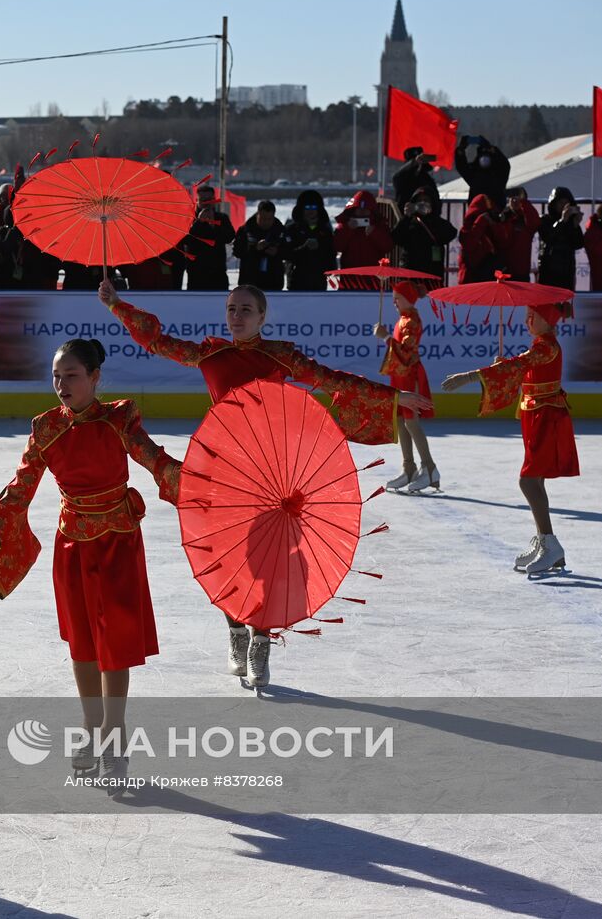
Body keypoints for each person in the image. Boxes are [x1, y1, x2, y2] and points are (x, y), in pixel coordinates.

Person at [98, 280, 430, 688]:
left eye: (245, 310)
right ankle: (237, 629)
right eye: (231, 309)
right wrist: (117, 305)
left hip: (270, 470)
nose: (236, 316)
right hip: (222, 470)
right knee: (224, 557)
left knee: (269, 558)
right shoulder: (210, 352)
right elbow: (158, 341)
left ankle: (261, 640)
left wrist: (392, 397)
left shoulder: (280, 356)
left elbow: (332, 380)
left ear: (262, 317)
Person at [0, 338, 180, 786]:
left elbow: (156, 462)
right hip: (73, 544)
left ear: (95, 378)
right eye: (56, 377)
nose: (62, 385)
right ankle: (91, 725)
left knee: (115, 639)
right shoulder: (45, 428)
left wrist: (204, 482)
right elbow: (17, 492)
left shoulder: (119, 419)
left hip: (118, 540)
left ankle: (114, 737)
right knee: (82, 639)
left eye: (72, 376)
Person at [442, 301, 577, 575]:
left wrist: (470, 376)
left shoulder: (547, 346)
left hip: (546, 417)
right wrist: (504, 366)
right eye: (526, 316)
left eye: (532, 317)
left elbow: (522, 364)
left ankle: (550, 544)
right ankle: (545, 543)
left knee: (528, 481)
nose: (527, 321)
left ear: (548, 321)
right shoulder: (541, 345)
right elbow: (522, 369)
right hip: (535, 415)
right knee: (534, 480)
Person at [373, 282, 439, 492]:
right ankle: (409, 468)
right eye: (393, 298)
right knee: (401, 421)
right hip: (400, 376)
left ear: (410, 299)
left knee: (411, 423)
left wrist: (385, 337)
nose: (394, 302)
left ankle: (429, 468)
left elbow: (407, 352)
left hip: (410, 377)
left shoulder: (411, 321)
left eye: (398, 298)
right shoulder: (403, 319)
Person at [332, 191, 395, 289]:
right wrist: (348, 229)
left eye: (365, 209)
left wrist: (374, 233)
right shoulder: (345, 224)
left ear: (371, 210)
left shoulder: (379, 225)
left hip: (373, 278)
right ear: (354, 209)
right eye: (359, 209)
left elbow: (388, 246)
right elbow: (337, 246)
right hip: (350, 278)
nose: (362, 212)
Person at [393, 187, 456, 278]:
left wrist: (432, 217)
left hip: (432, 272)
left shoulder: (438, 223)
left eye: (426, 200)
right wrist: (406, 217)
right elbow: (395, 237)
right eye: (419, 201)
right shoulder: (409, 222)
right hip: (410, 272)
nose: (422, 203)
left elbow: (451, 233)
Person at [280, 190, 336, 291]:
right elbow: (285, 253)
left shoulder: (325, 230)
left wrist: (319, 247)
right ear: (301, 209)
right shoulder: (291, 229)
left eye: (314, 207)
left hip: (319, 281)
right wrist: (304, 247)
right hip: (296, 281)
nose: (311, 211)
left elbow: (331, 254)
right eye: (307, 208)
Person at [183, 186, 236, 291]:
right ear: (197, 201)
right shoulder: (188, 218)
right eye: (203, 200)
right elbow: (186, 240)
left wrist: (213, 226)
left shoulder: (222, 217)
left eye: (209, 200)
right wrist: (199, 222)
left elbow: (229, 237)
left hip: (217, 271)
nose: (206, 203)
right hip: (197, 272)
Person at [537, 187, 583, 290]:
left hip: (567, 273)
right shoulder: (545, 220)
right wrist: (563, 220)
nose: (563, 206)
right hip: (548, 273)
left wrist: (575, 225)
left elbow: (579, 244)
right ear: (553, 204)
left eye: (566, 203)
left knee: (565, 303)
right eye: (560, 202)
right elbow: (549, 238)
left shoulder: (571, 223)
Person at [234, 200, 285, 291]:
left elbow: (289, 252)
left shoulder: (281, 231)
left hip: (274, 282)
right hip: (249, 281)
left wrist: (277, 252)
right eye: (263, 218)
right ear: (257, 214)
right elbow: (237, 252)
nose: (266, 222)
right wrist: (255, 248)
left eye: (269, 219)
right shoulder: (245, 230)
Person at [498, 188, 542, 282]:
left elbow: (534, 223)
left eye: (518, 198)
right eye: (512, 198)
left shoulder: (526, 220)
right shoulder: (503, 217)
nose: (514, 201)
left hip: (521, 272)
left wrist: (524, 203)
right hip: (504, 271)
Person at [455, 136, 511, 209]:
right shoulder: (474, 173)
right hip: (477, 212)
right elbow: (462, 166)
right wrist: (460, 150)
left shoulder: (498, 174)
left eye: (487, 156)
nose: (484, 159)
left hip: (496, 212)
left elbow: (505, 165)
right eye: (482, 156)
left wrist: (493, 149)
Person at [457, 194, 501, 284]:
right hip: (471, 277)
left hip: (487, 276)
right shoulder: (467, 229)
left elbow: (503, 241)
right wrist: (480, 222)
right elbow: (469, 245)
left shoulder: (490, 227)